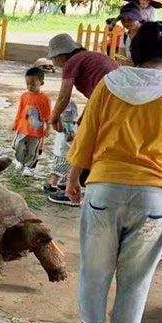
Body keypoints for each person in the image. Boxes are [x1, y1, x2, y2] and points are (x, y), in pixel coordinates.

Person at [66, 22, 162, 323]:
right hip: (154, 197)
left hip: (103, 189)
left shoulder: (107, 86)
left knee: (95, 266)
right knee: (137, 272)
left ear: (131, 53)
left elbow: (86, 137)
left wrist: (73, 176)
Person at [46, 33, 120, 204]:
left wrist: (53, 117)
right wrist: (82, 119)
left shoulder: (72, 63)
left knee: (83, 142)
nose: (55, 63)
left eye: (54, 59)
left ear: (62, 55)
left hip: (108, 100)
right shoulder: (91, 57)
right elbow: (97, 93)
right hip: (117, 100)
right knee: (93, 141)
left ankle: (71, 190)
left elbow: (64, 97)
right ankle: (89, 185)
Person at [13, 67, 52, 176]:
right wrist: (16, 123)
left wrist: (48, 128)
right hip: (23, 128)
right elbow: (20, 110)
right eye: (28, 84)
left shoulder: (45, 99)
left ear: (41, 83)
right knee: (18, 145)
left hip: (36, 131)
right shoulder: (24, 96)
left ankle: (30, 167)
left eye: (33, 84)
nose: (30, 86)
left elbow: (48, 115)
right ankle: (21, 161)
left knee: (32, 150)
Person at [44, 100, 79, 197]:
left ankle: (62, 184)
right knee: (60, 170)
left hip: (62, 152)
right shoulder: (68, 126)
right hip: (64, 153)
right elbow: (70, 139)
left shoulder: (70, 125)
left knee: (64, 170)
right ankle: (51, 184)